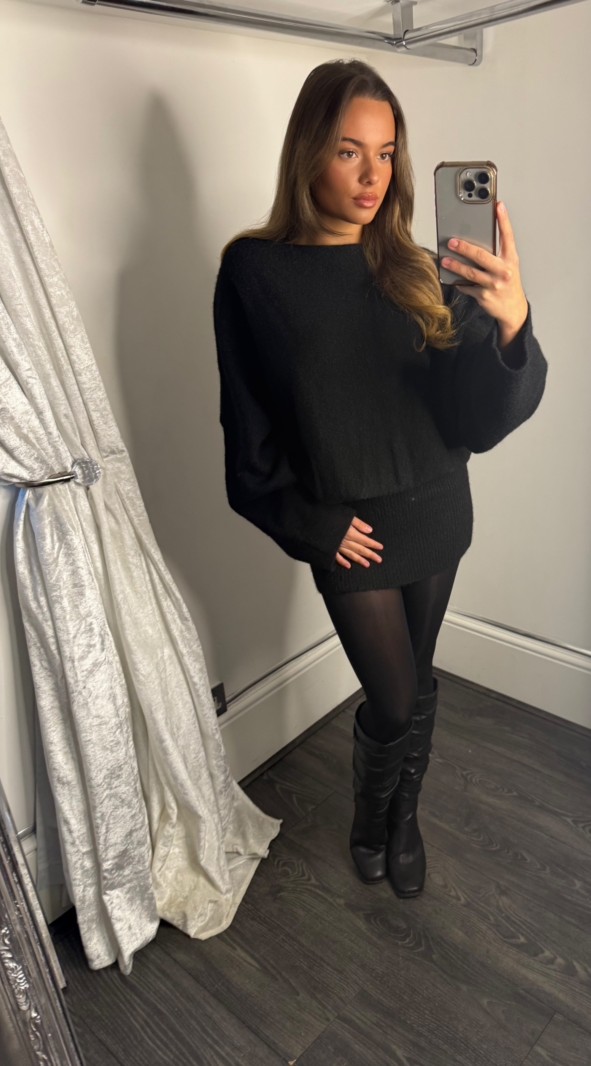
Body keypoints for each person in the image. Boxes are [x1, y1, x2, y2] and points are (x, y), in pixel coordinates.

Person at [212, 58, 547, 900]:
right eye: (349, 151)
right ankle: (371, 817)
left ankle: (403, 822)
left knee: (418, 683)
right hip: (350, 531)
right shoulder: (254, 273)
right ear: (308, 153)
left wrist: (512, 330)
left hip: (436, 509)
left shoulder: (423, 268)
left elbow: (476, 419)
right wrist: (312, 524)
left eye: (387, 153)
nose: (373, 176)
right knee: (394, 700)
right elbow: (248, 437)